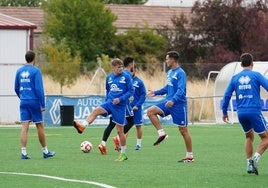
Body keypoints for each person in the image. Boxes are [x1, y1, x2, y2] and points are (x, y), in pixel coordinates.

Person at [73, 58, 134, 162]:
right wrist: (106, 101)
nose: (121, 69)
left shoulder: (126, 76)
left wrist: (120, 99)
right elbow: (108, 90)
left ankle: (123, 154)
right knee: (96, 111)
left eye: (122, 67)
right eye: (118, 67)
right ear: (113, 67)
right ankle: (82, 126)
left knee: (120, 131)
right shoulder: (109, 77)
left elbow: (131, 91)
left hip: (120, 107)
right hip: (109, 103)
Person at [221, 53, 268, 175]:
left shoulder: (235, 78)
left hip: (241, 112)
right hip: (254, 111)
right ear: (252, 64)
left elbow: (226, 95)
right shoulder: (256, 75)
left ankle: (248, 164)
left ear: (241, 64)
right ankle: (255, 159)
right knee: (266, 138)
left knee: (249, 137)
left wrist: (224, 112)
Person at [146, 51, 194, 162]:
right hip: (168, 102)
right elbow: (167, 88)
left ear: (173, 60)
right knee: (150, 111)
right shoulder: (170, 73)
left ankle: (190, 156)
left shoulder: (181, 73)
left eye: (167, 59)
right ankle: (162, 134)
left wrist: (173, 100)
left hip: (178, 104)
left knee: (183, 131)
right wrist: (155, 92)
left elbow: (181, 90)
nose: (166, 61)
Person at [14, 50, 55, 160]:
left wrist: (22, 97)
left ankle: (23, 153)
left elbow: (16, 88)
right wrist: (42, 104)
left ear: (25, 58)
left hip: (23, 101)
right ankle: (45, 151)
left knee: (24, 128)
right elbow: (39, 89)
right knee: (39, 126)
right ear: (34, 59)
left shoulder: (19, 71)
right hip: (34, 101)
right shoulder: (36, 71)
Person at [98, 57, 135, 155]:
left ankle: (103, 143)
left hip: (113, 102)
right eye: (133, 63)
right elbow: (130, 90)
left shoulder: (122, 73)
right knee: (130, 121)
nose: (120, 68)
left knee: (111, 124)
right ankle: (117, 139)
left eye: (121, 67)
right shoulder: (127, 74)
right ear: (131, 64)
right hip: (122, 104)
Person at [131, 65, 146, 150]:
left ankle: (138, 144)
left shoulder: (139, 82)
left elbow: (143, 95)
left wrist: (137, 105)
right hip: (127, 108)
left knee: (138, 126)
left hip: (136, 108)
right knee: (124, 126)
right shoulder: (125, 81)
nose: (131, 72)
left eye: (132, 70)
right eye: (130, 70)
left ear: (135, 70)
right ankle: (122, 144)